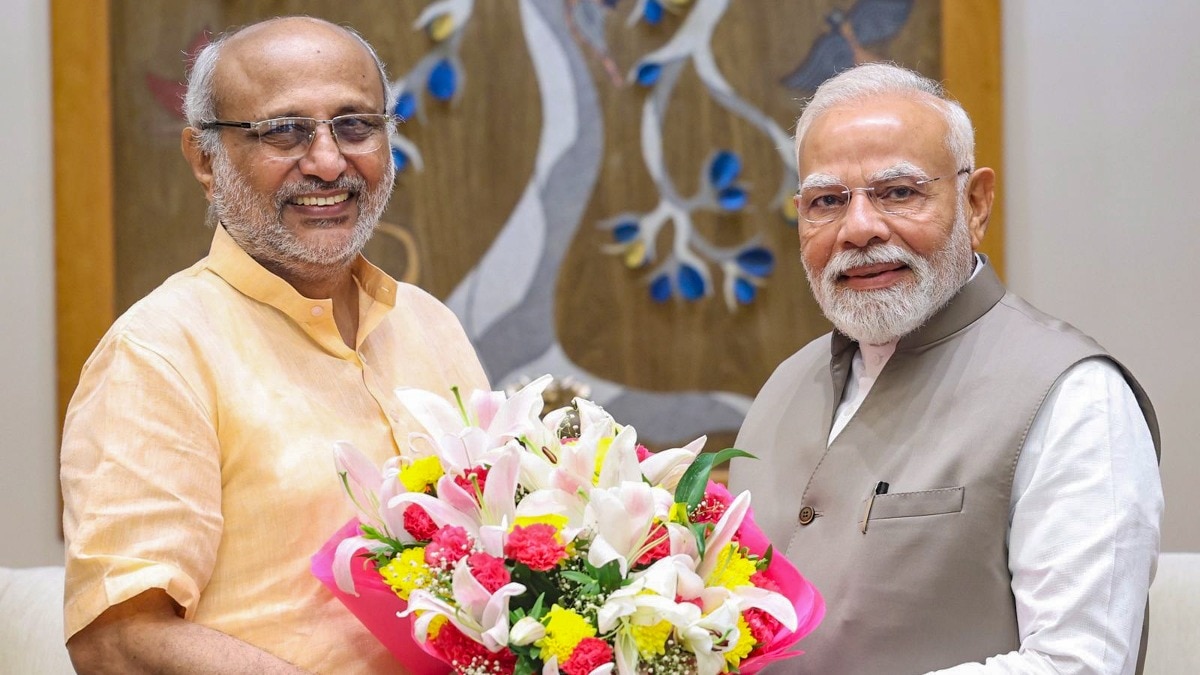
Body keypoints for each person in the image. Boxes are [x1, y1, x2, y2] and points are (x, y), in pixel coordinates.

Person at [60, 17, 487, 674]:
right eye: (283, 130)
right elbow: (118, 639)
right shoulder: (159, 353)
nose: (326, 161)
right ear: (205, 158)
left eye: (355, 125)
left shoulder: (430, 325)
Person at [728, 62, 1162, 674]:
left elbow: (1079, 663)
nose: (859, 229)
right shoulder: (784, 385)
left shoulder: (1075, 396)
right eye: (827, 201)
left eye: (898, 192)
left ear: (975, 203)